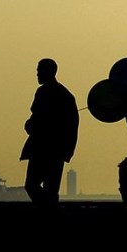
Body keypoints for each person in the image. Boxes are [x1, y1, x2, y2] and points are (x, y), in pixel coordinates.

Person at [20, 58, 79, 205]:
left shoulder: (44, 92)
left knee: (32, 185)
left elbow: (38, 119)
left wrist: (30, 125)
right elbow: (73, 126)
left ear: (48, 72)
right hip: (59, 151)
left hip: (42, 149)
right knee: (51, 190)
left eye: (39, 71)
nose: (37, 74)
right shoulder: (66, 95)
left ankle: (47, 211)